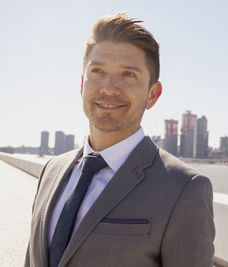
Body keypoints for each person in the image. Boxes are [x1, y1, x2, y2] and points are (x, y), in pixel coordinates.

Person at [25, 12, 215, 267]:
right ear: (82, 84)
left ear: (153, 95)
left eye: (128, 74)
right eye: (98, 71)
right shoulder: (51, 170)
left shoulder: (184, 188)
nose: (108, 88)